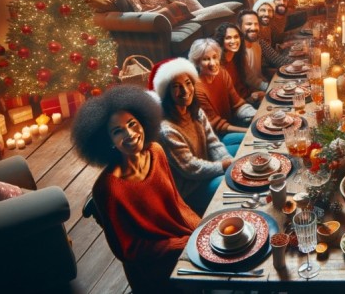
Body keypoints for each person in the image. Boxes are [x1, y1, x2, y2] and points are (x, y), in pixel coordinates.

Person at [72, 85, 200, 293]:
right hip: (155, 268)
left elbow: (176, 204)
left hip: (184, 240)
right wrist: (182, 244)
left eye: (132, 124)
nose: (130, 134)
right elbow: (128, 249)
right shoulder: (108, 189)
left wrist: (201, 229)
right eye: (117, 131)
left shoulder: (156, 152)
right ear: (108, 141)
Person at [150, 57, 236, 215]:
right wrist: (224, 166)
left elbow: (212, 142)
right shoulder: (166, 129)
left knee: (239, 155)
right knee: (231, 186)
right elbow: (191, 168)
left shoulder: (195, 111)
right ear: (166, 92)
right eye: (176, 86)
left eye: (188, 83)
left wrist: (228, 161)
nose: (185, 91)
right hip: (191, 189)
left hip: (207, 169)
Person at [189, 38, 255, 133]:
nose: (212, 63)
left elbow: (237, 104)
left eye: (215, 57)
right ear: (197, 62)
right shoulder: (197, 89)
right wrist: (248, 131)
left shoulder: (222, 73)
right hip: (216, 136)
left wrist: (256, 115)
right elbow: (216, 125)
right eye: (206, 59)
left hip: (231, 124)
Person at [213, 22, 264, 105]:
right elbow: (227, 99)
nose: (233, 41)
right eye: (228, 38)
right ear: (221, 41)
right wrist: (250, 99)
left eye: (236, 37)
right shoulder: (218, 65)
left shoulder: (238, 57)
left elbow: (245, 82)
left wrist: (254, 94)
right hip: (238, 106)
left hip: (248, 98)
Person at [238, 10, 269, 92]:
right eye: (249, 24)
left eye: (256, 24)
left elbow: (258, 75)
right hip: (249, 96)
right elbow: (248, 79)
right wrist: (268, 87)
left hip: (261, 89)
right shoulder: (239, 50)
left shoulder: (257, 45)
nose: (254, 28)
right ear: (239, 27)